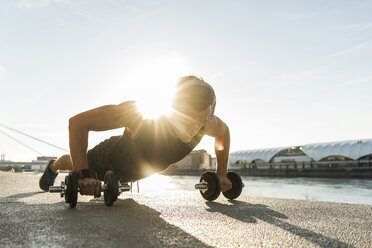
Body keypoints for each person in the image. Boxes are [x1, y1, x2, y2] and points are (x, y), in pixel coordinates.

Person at [39, 75, 232, 196]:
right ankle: (53, 167)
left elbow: (223, 134)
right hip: (107, 159)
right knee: (72, 163)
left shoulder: (207, 122)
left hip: (129, 174)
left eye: (199, 122)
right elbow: (78, 123)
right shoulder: (142, 115)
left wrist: (221, 173)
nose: (193, 129)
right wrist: (82, 176)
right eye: (187, 121)